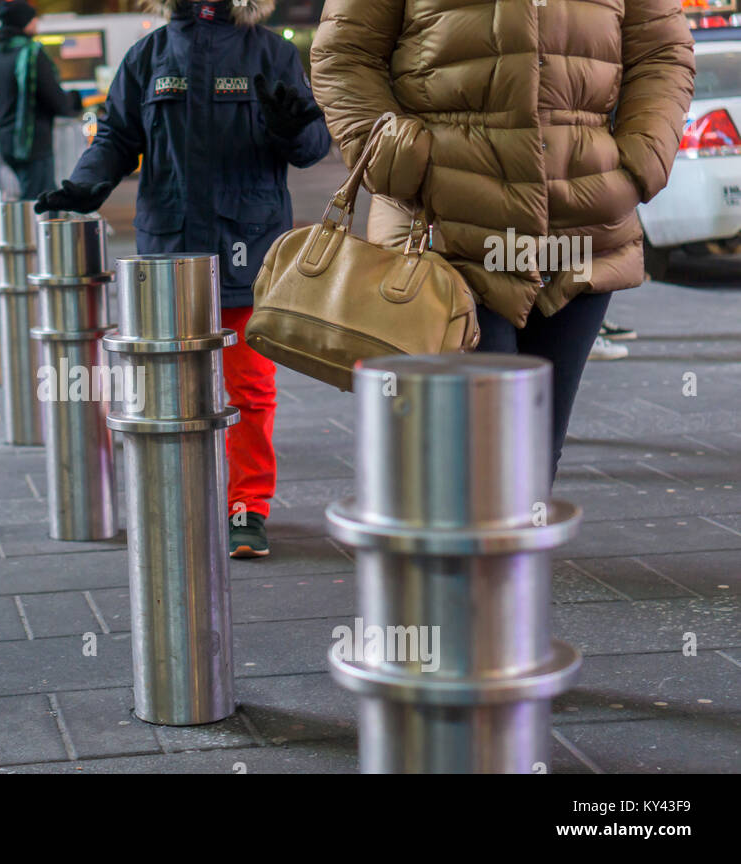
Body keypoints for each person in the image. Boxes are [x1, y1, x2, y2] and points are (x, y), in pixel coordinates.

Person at [310, 0, 695, 481]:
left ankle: (499, 552)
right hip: (445, 234)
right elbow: (344, 55)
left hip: (578, 232)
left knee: (534, 455)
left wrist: (639, 162)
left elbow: (663, 52)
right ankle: (454, 551)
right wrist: (403, 161)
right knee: (481, 457)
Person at [36, 0, 331, 559]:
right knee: (171, 393)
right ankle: (179, 501)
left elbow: (314, 150)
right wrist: (84, 185)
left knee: (250, 389)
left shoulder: (269, 52)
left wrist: (297, 127)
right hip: (171, 249)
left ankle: (247, 506)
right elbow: (116, 137)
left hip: (246, 246)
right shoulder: (147, 56)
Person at [0, 0, 78, 199]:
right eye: (32, 18)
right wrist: (72, 101)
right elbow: (53, 97)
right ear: (23, 22)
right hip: (31, 142)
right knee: (39, 202)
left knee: (33, 197)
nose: (36, 22)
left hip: (7, 139)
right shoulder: (30, 54)